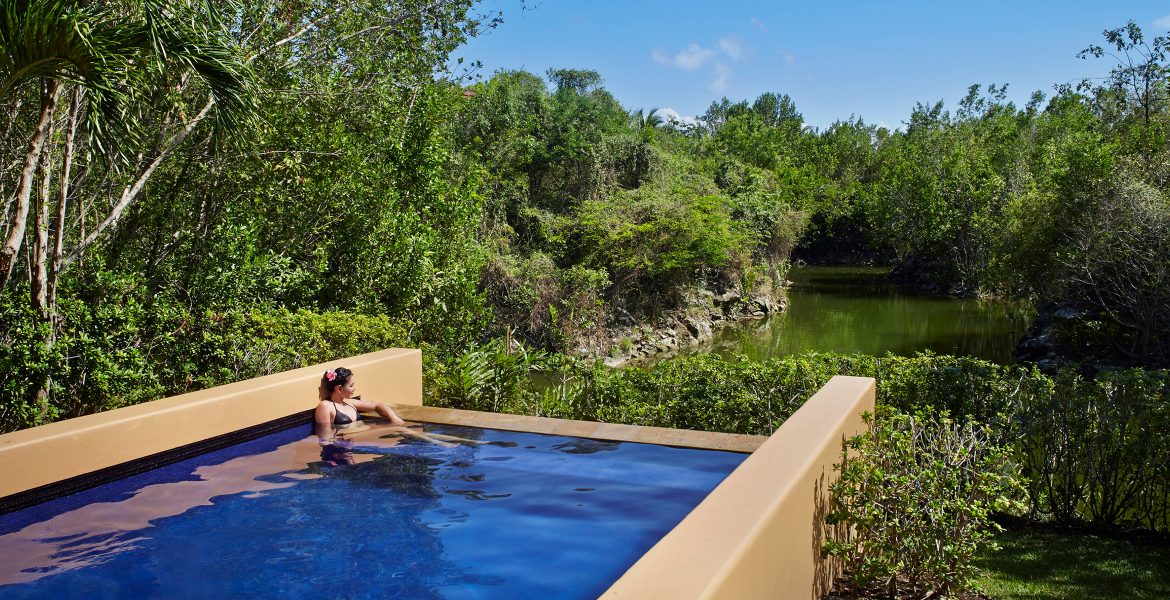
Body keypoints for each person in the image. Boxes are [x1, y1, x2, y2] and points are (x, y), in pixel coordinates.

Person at [314, 366, 406, 428]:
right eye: (351, 386)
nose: (354, 388)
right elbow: (325, 436)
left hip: (360, 440)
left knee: (402, 429)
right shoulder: (326, 407)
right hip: (343, 447)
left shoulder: (348, 402)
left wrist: (394, 418)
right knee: (401, 430)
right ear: (339, 389)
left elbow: (377, 405)